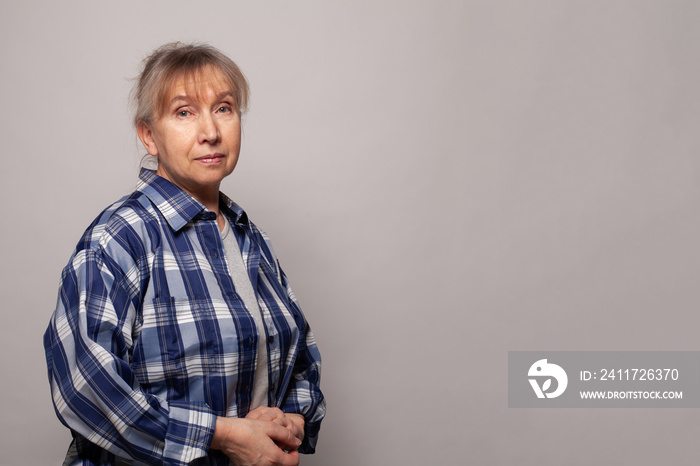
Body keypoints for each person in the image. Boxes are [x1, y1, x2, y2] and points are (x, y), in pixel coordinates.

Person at [43, 42, 325, 466]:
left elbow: (299, 355)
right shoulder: (120, 237)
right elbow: (84, 383)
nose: (210, 131)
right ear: (148, 134)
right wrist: (224, 435)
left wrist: (292, 421)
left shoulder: (251, 239)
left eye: (224, 108)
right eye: (184, 112)